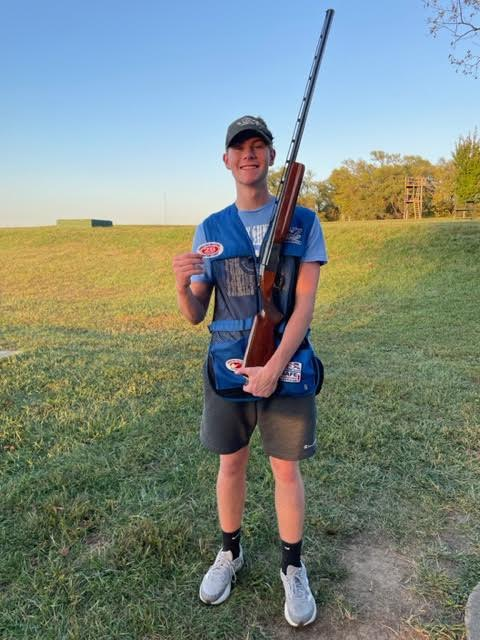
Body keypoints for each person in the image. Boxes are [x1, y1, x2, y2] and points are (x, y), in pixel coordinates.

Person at [172, 115, 327, 627]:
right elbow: (196, 313)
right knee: (231, 465)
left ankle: (292, 566)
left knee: (286, 470)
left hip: (286, 368)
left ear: (272, 157)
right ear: (226, 160)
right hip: (228, 368)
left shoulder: (303, 222)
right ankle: (230, 553)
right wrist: (181, 286)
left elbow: (303, 308)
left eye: (258, 146)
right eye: (240, 148)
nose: (249, 155)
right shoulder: (210, 228)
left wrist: (273, 367)